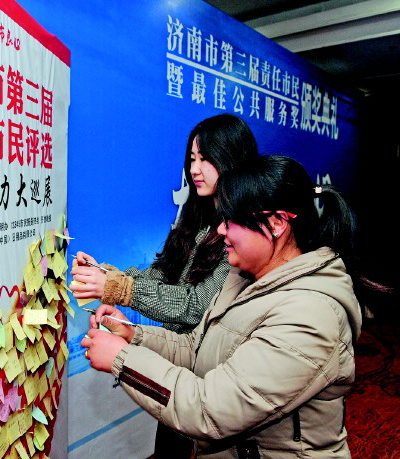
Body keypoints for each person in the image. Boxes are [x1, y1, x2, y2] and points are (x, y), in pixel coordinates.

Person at [81, 155, 366, 458]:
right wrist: (133, 335)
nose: (219, 231)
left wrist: (122, 358)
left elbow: (211, 411)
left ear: (276, 223)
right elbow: (195, 349)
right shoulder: (242, 277)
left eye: (230, 220)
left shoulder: (309, 314)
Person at [71, 114, 258, 458]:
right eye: (192, 159)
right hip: (177, 368)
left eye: (206, 159)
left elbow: (196, 305)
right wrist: (108, 275)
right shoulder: (198, 214)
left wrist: (119, 289)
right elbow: (163, 272)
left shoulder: (243, 231)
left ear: (232, 160)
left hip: (210, 379)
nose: (195, 169)